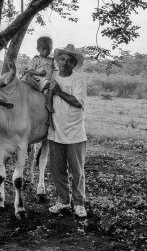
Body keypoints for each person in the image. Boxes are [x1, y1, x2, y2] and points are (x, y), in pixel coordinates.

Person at [47, 44, 88, 218]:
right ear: (57, 61)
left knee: (77, 171)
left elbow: (79, 102)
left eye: (69, 61)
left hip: (75, 132)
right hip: (55, 131)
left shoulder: (78, 79)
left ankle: (79, 203)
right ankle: (63, 201)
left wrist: (59, 91)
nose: (65, 63)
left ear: (74, 64)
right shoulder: (52, 75)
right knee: (57, 170)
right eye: (62, 59)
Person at [27, 36, 56, 116]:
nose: (46, 51)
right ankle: (48, 103)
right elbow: (30, 70)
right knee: (50, 84)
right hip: (39, 81)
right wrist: (39, 73)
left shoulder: (51, 60)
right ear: (38, 49)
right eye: (43, 49)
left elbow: (55, 70)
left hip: (48, 81)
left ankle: (49, 114)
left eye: (48, 48)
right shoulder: (35, 59)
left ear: (51, 48)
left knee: (53, 86)